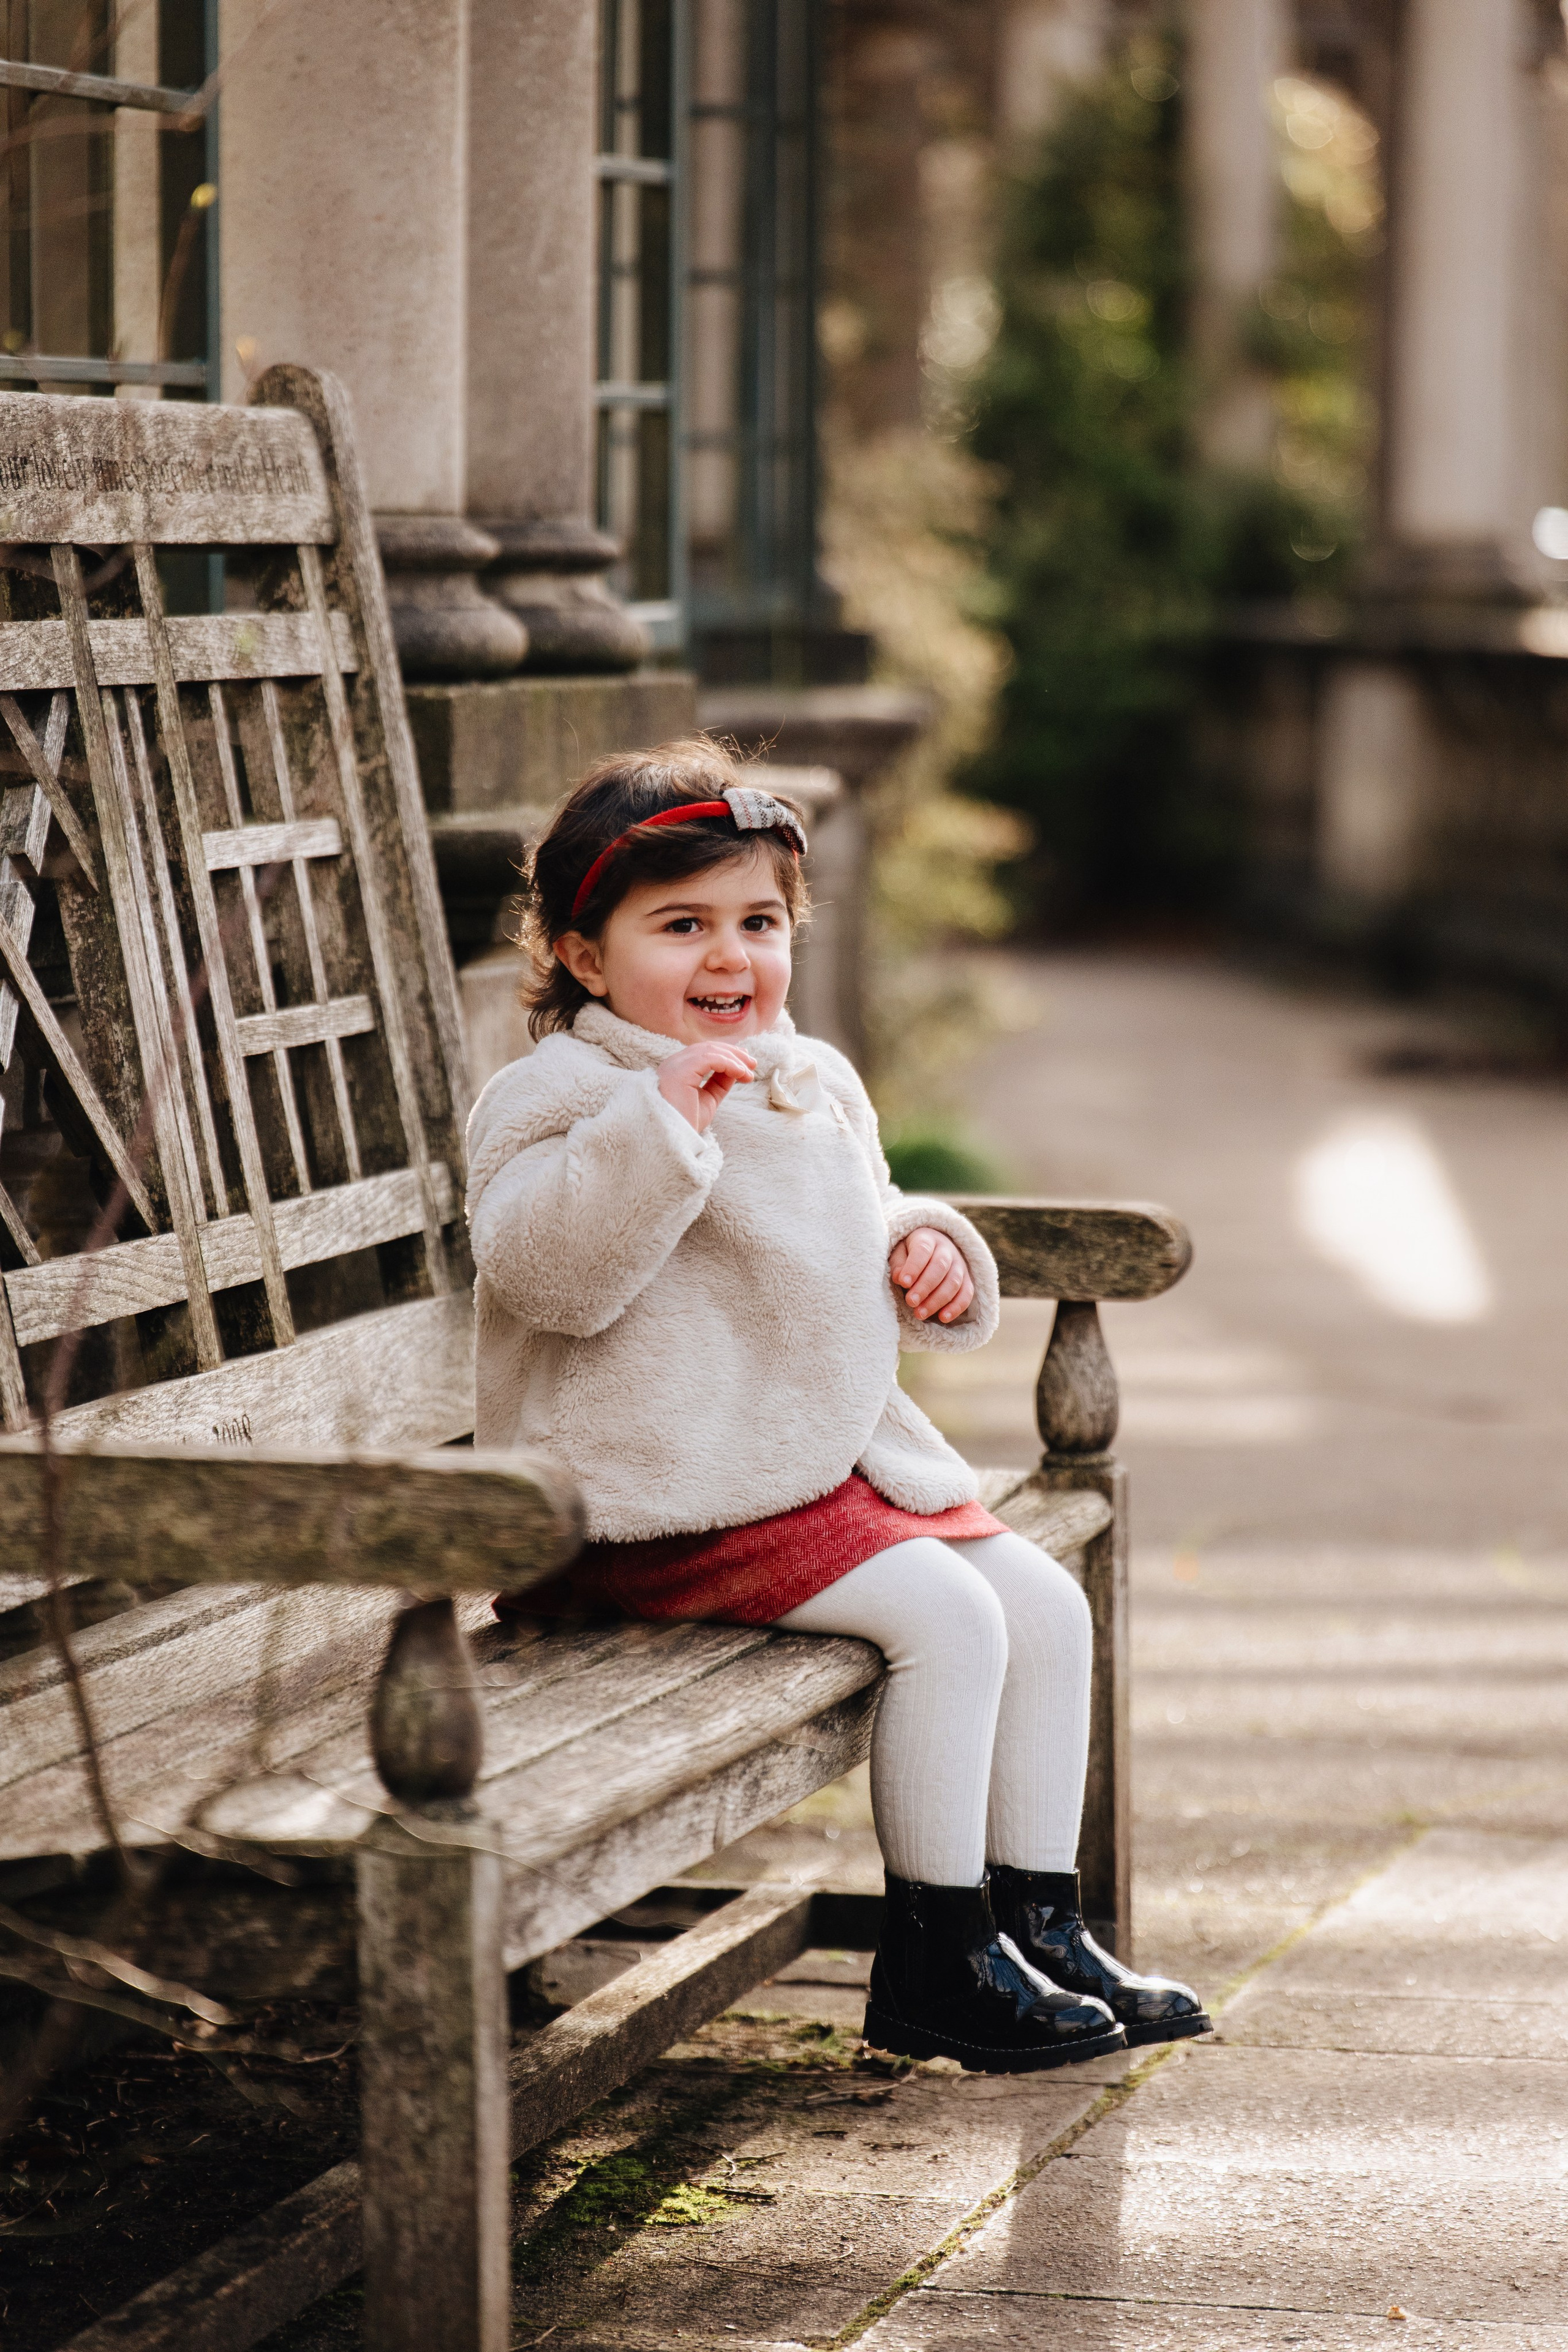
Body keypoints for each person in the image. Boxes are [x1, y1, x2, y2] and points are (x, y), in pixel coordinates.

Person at [466, 737, 1207, 2073]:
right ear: (583, 958)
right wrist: (660, 1127)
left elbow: (846, 1222)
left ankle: (1039, 1919)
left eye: (758, 923)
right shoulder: (559, 1096)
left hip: (797, 1470)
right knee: (945, 1617)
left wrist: (923, 1243)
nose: (727, 958)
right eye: (679, 926)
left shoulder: (809, 1075)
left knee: (1039, 1603)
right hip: (643, 1496)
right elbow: (551, 1278)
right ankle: (934, 1954)